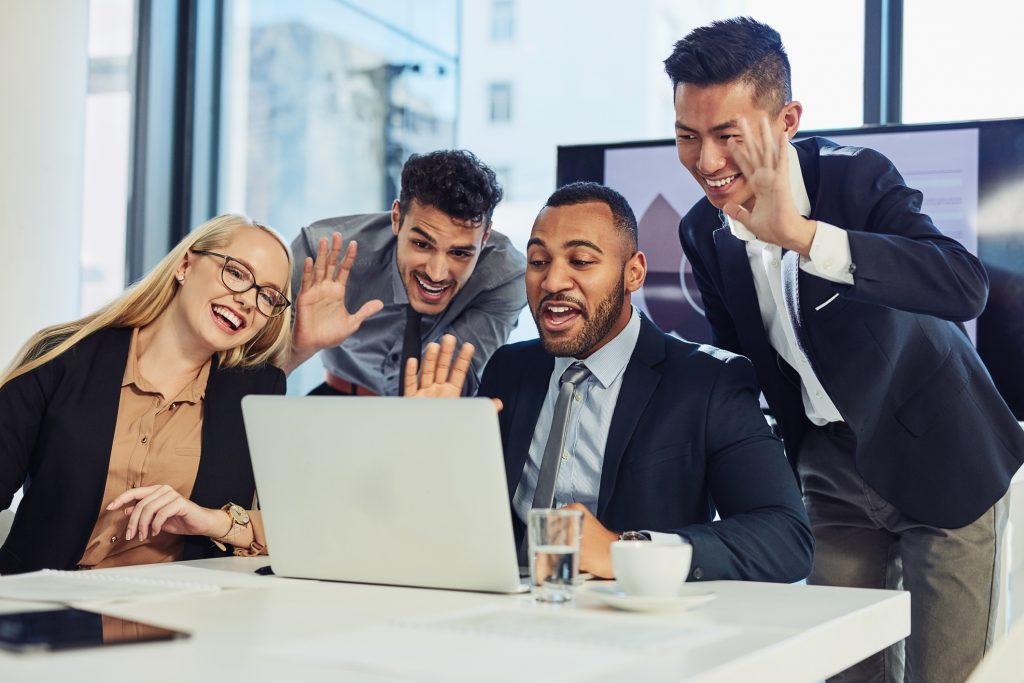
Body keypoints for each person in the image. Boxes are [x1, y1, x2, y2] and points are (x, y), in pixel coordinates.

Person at [665, 17, 1024, 682]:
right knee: (841, 667)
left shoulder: (858, 180)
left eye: (726, 136)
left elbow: (964, 285)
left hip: (942, 453)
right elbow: (740, 361)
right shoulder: (701, 232)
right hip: (829, 467)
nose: (706, 162)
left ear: (787, 119)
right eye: (687, 137)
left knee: (945, 672)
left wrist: (802, 236)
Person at [407, 182, 813, 583]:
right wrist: (433, 447)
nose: (552, 282)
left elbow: (785, 539)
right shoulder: (507, 371)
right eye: (538, 261)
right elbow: (461, 522)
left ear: (633, 273)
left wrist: (628, 549)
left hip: (633, 624)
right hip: (505, 612)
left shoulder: (706, 381)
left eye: (580, 261)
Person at [0, 214, 292, 574]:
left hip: (187, 613)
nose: (248, 300)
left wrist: (211, 521)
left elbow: (298, 524)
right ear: (185, 264)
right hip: (43, 611)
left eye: (268, 296)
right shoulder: (62, 356)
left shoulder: (258, 391)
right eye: (236, 273)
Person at [285, 149, 526, 396]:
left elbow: (451, 374)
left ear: (485, 237)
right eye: (422, 245)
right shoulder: (319, 256)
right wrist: (298, 348)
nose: (436, 274)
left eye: (460, 253)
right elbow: (258, 373)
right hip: (340, 398)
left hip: (432, 411)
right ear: (397, 217)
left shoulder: (504, 278)